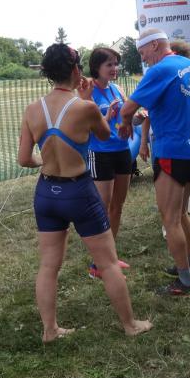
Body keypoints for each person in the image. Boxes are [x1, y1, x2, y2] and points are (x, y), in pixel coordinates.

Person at [17, 43, 152, 340]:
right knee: (107, 262)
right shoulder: (85, 106)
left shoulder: (32, 109)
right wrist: (90, 102)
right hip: (78, 190)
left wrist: (45, 160)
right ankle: (130, 325)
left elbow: (24, 159)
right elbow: (105, 134)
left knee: (48, 265)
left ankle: (50, 330)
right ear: (76, 71)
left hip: (46, 193)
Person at [119, 29, 190, 296]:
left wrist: (126, 124)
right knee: (181, 213)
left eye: (143, 51)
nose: (143, 58)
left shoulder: (159, 70)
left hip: (171, 151)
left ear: (155, 45)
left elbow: (127, 109)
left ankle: (184, 281)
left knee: (170, 220)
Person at [85, 47, 133, 279]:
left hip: (122, 150)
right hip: (100, 153)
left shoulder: (117, 89)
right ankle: (97, 263)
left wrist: (134, 119)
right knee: (101, 209)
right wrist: (105, 117)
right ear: (97, 67)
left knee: (117, 205)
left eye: (116, 64)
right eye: (109, 64)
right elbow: (83, 127)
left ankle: (110, 256)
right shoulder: (87, 91)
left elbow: (127, 117)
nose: (115, 68)